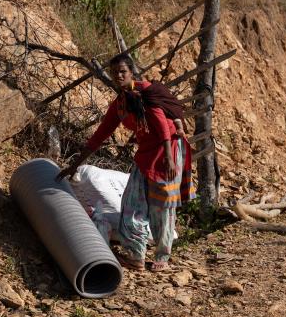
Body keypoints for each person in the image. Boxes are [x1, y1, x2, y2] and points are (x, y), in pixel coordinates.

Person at [57, 53, 195, 272]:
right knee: (132, 203)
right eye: (115, 73)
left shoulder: (144, 94)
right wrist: (75, 165)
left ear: (131, 72)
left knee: (162, 205)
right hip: (146, 153)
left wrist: (169, 157)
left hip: (167, 149)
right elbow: (100, 135)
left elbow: (160, 123)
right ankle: (136, 255)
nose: (119, 76)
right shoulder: (120, 105)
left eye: (123, 71)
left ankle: (162, 255)